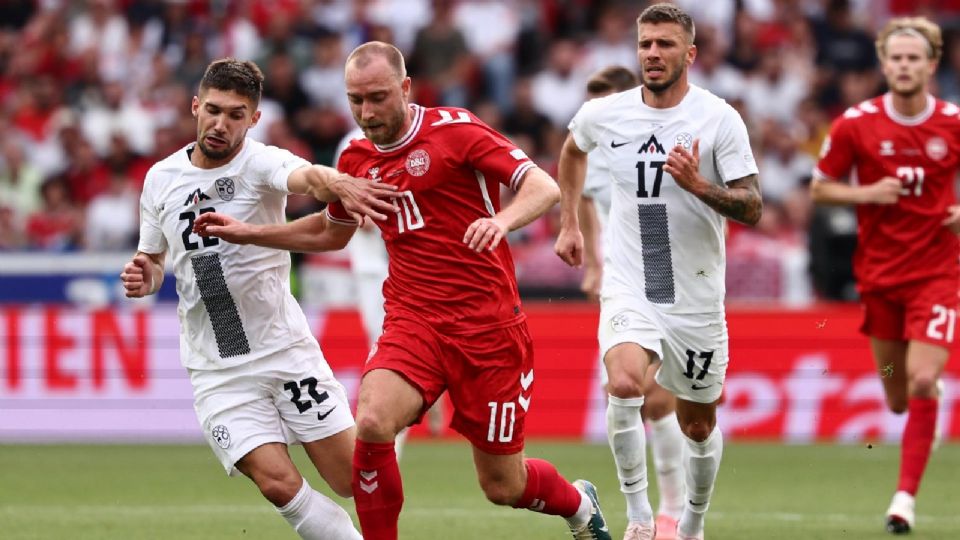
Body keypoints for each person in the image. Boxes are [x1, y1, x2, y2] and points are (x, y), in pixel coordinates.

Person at [194, 41, 613, 540]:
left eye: (377, 97)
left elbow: (540, 186)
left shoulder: (455, 131)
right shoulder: (354, 157)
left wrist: (501, 221)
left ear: (406, 88)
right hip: (414, 321)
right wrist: (250, 231)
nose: (367, 112)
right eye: (355, 100)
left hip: (488, 328)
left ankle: (580, 506)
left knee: (504, 485)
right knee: (371, 422)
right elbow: (331, 233)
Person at [119, 58, 398, 540]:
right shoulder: (160, 180)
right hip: (218, 368)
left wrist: (339, 182)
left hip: (285, 351)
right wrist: (147, 274)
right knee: (277, 484)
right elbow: (153, 257)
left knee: (350, 481)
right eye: (213, 110)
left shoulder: (261, 163)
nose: (220, 124)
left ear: (254, 119)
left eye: (235, 114)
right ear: (195, 107)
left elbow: (307, 177)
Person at [554, 4, 762, 540]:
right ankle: (640, 518)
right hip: (632, 280)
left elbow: (753, 206)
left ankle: (691, 523)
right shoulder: (608, 113)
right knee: (623, 382)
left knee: (697, 423)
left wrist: (700, 187)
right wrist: (571, 225)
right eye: (645, 43)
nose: (652, 53)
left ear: (689, 54)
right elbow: (573, 151)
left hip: (693, 291)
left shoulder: (719, 119)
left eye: (665, 44)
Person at [810, 16, 958, 535]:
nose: (903, 65)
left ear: (931, 64)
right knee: (897, 392)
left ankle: (904, 499)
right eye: (895, 57)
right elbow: (820, 188)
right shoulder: (856, 123)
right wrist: (865, 194)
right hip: (879, 278)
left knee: (922, 377)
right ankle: (922, 411)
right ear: (884, 64)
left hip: (938, 274)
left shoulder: (953, 122)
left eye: (914, 57)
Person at [578, 65, 688, 540]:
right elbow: (585, 202)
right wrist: (594, 264)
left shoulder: (657, 142)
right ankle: (647, 513)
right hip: (622, 279)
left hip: (670, 273)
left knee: (660, 399)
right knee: (627, 387)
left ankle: (673, 507)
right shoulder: (591, 155)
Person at [333, 126, 446, 459]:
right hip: (373, 269)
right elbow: (340, 200)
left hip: (416, 266)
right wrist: (356, 210)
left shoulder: (425, 141)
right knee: (383, 349)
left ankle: (391, 443)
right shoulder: (351, 145)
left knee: (398, 351)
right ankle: (397, 434)